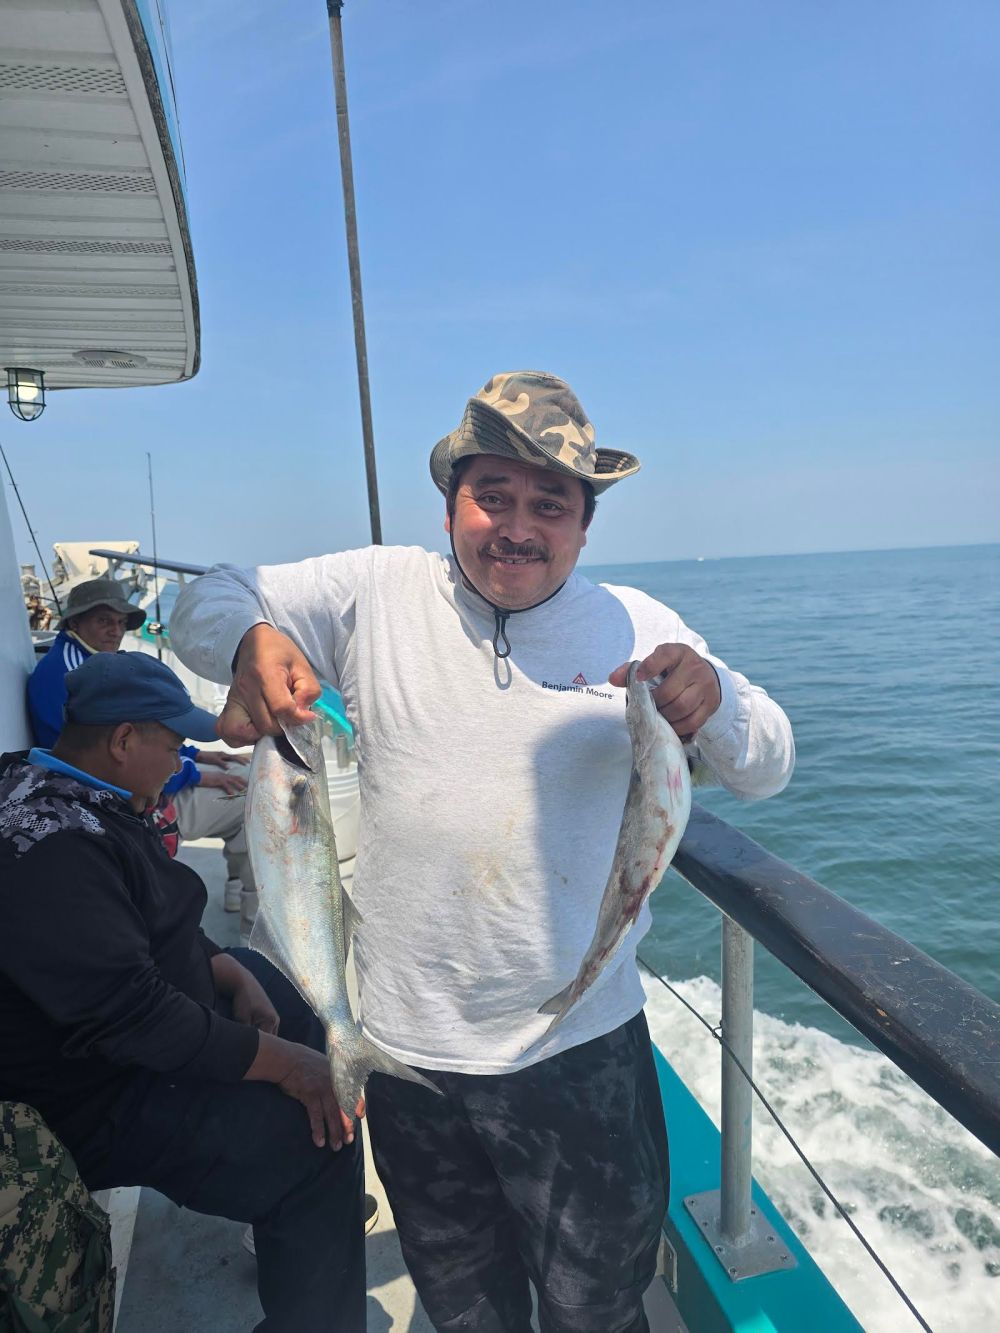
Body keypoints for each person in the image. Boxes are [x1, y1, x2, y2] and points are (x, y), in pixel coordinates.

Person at [169, 370, 796, 1333]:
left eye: (550, 504)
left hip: (577, 1047)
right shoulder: (371, 591)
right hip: (408, 1051)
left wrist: (714, 700)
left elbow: (765, 762)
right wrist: (254, 635)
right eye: (491, 496)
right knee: (464, 1305)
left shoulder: (638, 624)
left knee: (598, 1306)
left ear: (585, 526)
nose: (517, 526)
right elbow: (206, 600)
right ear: (450, 501)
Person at [0, 651, 366, 1333]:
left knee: (295, 1008)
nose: (180, 764)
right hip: (91, 1091)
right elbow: (135, 1018)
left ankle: (298, 1242)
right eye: (173, 747)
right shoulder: (48, 845)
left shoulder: (76, 791)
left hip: (148, 1030)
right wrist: (284, 1064)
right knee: (317, 1146)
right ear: (122, 739)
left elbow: (139, 926)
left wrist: (233, 974)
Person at [27, 576, 255, 914]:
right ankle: (252, 912)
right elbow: (107, 762)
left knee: (236, 770)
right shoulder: (70, 675)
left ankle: (238, 890)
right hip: (131, 796)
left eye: (120, 623)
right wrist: (196, 774)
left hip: (124, 782)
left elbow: (143, 737)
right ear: (75, 621)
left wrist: (196, 754)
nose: (115, 631)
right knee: (246, 796)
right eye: (104, 620)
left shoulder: (83, 667)